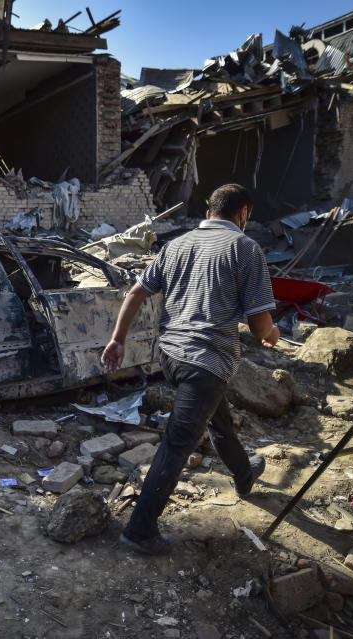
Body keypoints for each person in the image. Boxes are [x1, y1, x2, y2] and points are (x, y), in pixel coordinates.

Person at [101, 183, 280, 555]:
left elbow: (135, 293)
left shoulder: (176, 245)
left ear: (208, 210)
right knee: (178, 443)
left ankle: (244, 476)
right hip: (206, 360)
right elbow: (260, 323)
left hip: (171, 356)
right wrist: (272, 332)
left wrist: (117, 339)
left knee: (218, 418)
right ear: (243, 213)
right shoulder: (246, 248)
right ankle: (139, 530)